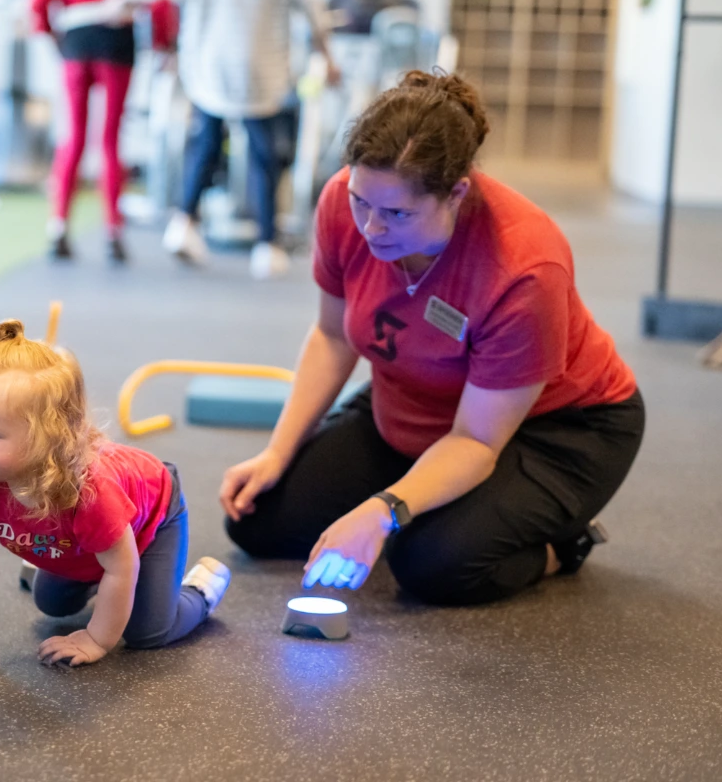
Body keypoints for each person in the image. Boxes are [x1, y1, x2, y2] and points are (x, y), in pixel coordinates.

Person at [219, 71, 645, 606]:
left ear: (456, 193)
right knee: (256, 519)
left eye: (397, 213)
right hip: (417, 401)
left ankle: (563, 545)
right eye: (361, 202)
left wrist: (383, 510)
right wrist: (277, 452)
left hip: (555, 430)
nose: (371, 228)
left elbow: (476, 441)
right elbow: (332, 337)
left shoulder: (524, 268)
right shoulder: (342, 203)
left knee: (430, 564)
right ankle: (423, 501)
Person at [0, 320, 230, 668]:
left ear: (45, 440)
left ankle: (201, 590)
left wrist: (96, 639)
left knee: (146, 632)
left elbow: (123, 568)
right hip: (91, 541)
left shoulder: (89, 493)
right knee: (52, 604)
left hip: (153, 515)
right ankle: (77, 562)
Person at [155, 0, 340, 279]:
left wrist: (119, 1)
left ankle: (184, 222)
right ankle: (267, 243)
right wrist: (327, 55)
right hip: (257, 66)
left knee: (206, 143)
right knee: (263, 152)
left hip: (210, 62)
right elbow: (310, 5)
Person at [30, 0, 139, 262]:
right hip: (116, 37)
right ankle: (114, 233)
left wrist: (51, 34)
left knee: (73, 137)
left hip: (76, 37)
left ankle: (58, 227)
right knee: (110, 139)